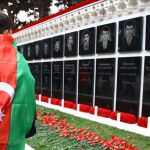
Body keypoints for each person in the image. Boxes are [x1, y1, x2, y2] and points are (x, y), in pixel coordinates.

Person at [0, 12, 36, 150]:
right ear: (8, 31)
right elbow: (26, 98)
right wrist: (27, 127)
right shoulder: (19, 61)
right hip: (10, 138)